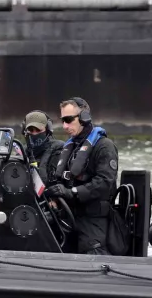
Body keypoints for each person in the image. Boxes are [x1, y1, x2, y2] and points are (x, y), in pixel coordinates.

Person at [46, 97, 126, 255]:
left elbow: (104, 183)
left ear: (84, 117)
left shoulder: (104, 147)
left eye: (69, 120)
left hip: (94, 221)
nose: (64, 126)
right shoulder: (71, 147)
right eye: (63, 121)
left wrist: (73, 193)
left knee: (93, 257)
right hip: (70, 219)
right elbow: (63, 179)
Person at [22, 110, 64, 186]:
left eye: (38, 130)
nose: (34, 134)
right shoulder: (22, 153)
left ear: (48, 130)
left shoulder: (58, 152)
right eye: (30, 130)